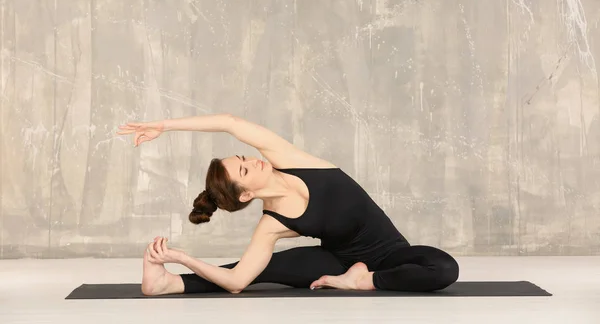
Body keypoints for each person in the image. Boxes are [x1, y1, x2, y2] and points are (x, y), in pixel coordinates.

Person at [117, 114, 459, 295]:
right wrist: (182, 258)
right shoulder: (272, 224)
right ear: (246, 195)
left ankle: (366, 280)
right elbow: (236, 281)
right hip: (335, 262)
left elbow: (229, 123)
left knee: (444, 269)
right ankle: (167, 284)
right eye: (245, 169)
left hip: (389, 254)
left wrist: (164, 125)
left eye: (244, 157)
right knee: (255, 270)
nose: (254, 161)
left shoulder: (291, 159)